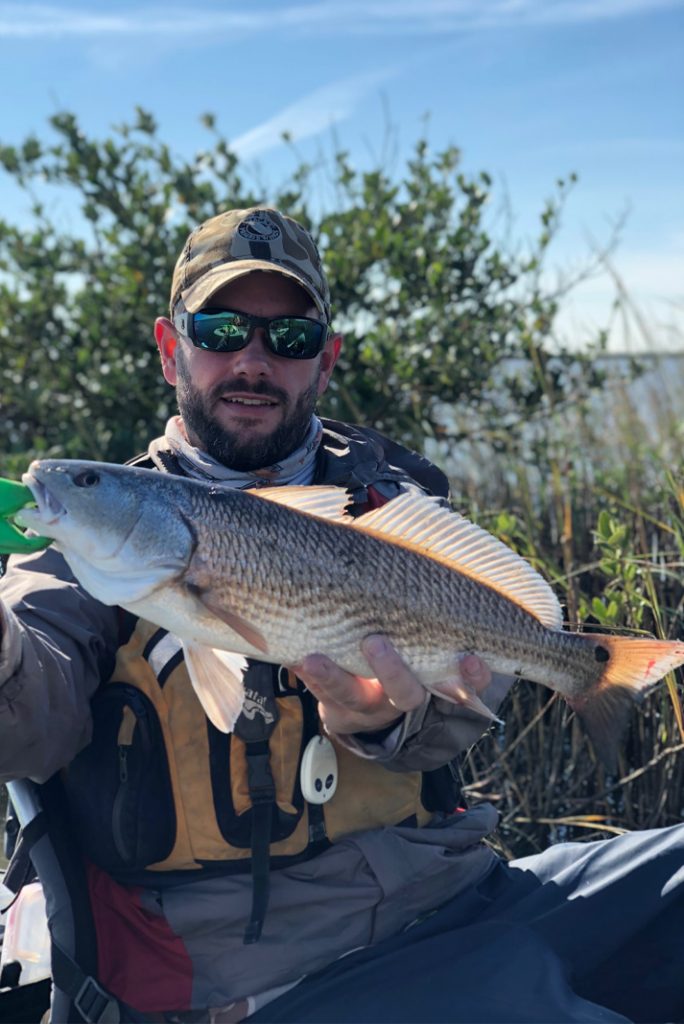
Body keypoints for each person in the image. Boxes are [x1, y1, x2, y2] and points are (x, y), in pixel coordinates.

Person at [0, 207, 682, 1024]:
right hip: (266, 975)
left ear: (324, 363)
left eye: (287, 339)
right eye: (219, 329)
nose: (252, 360)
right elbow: (24, 719)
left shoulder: (392, 499)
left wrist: (396, 725)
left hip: (462, 894)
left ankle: (593, 675)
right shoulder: (72, 551)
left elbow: (475, 689)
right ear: (169, 347)